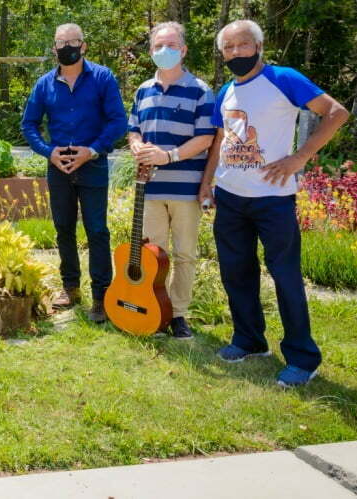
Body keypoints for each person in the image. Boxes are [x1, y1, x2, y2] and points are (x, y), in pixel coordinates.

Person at [199, 19, 348, 387]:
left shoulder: (284, 79)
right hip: (231, 198)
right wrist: (207, 185)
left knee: (285, 277)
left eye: (243, 45)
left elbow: (336, 112)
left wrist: (300, 157)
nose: (236, 52)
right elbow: (220, 141)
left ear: (259, 46)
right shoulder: (226, 92)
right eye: (229, 48)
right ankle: (249, 341)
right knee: (236, 273)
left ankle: (302, 357)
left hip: (273, 200)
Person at [21, 23, 127, 323]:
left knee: (97, 231)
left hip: (92, 163)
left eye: (73, 41)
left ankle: (101, 296)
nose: (67, 47)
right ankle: (70, 288)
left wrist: (91, 151)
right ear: (54, 48)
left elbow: (117, 121)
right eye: (61, 42)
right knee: (63, 228)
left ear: (84, 46)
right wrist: (48, 152)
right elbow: (28, 124)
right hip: (58, 166)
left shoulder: (103, 78)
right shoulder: (44, 84)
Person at [127, 22, 216, 339]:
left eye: (171, 45)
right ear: (151, 51)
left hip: (185, 188)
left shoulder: (201, 91)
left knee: (185, 255)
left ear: (184, 50)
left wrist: (170, 156)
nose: (164, 51)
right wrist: (136, 144)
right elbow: (134, 128)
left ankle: (178, 314)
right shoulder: (143, 90)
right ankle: (154, 308)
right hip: (149, 189)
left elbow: (206, 137)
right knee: (154, 256)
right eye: (158, 46)